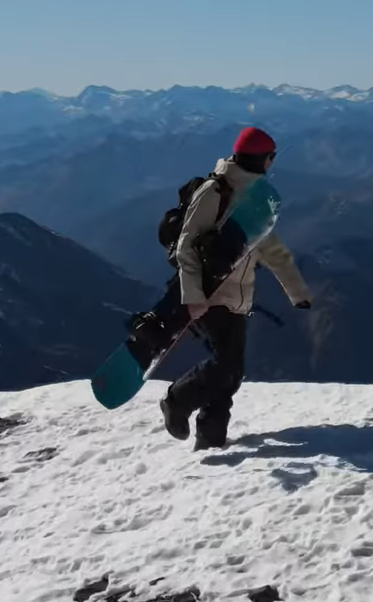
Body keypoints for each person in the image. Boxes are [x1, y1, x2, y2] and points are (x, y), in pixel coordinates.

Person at [131, 126, 312, 450]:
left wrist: (297, 293)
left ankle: (211, 441)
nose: (273, 163)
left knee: (231, 374)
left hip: (238, 296)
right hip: (208, 292)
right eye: (271, 157)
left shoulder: (256, 200)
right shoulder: (215, 192)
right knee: (225, 365)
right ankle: (177, 400)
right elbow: (186, 246)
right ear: (263, 158)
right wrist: (193, 297)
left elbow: (272, 250)